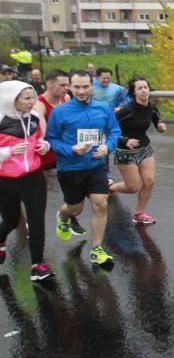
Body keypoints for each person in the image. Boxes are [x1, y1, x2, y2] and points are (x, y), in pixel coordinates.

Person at [45, 68, 121, 265]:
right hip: (70, 168)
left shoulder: (103, 108)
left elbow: (114, 130)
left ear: (92, 86)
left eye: (86, 86)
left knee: (100, 203)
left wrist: (107, 146)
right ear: (69, 87)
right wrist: (71, 149)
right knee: (75, 209)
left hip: (96, 165)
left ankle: (96, 249)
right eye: (77, 87)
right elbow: (50, 140)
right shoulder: (59, 112)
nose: (81, 91)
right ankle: (63, 215)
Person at [0, 81, 53, 281]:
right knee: (11, 221)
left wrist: (43, 146)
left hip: (33, 176)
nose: (32, 102)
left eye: (33, 97)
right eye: (27, 98)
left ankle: (37, 265)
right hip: (5, 179)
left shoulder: (35, 117)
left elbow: (39, 140)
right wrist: (8, 152)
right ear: (11, 99)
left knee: (36, 219)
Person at [110, 76, 167, 225]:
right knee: (132, 187)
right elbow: (109, 128)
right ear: (134, 92)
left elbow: (156, 120)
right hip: (125, 151)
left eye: (145, 87)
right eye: (140, 88)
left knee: (149, 181)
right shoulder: (126, 110)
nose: (144, 91)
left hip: (144, 147)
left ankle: (139, 213)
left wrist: (160, 126)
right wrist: (125, 140)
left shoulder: (152, 107)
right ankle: (110, 187)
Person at [33, 69, 71, 176]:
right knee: (43, 181)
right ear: (49, 84)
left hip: (63, 145)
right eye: (62, 85)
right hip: (47, 146)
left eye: (68, 85)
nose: (67, 88)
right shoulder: (39, 104)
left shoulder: (66, 98)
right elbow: (43, 131)